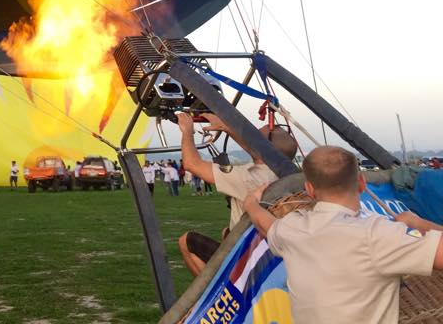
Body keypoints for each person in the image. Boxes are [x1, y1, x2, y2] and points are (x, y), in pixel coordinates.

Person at [243, 146, 443, 324]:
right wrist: (416, 222)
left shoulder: (292, 228)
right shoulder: (376, 235)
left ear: (309, 189)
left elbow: (264, 223)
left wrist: (250, 202)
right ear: (362, 183)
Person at [176, 111, 298, 276]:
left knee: (186, 240)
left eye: (255, 136)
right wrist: (226, 127)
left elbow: (192, 164)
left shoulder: (249, 177)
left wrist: (187, 132)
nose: (250, 138)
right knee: (226, 232)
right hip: (269, 253)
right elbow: (260, 151)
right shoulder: (292, 175)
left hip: (244, 258)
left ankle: (215, 295)